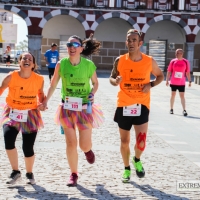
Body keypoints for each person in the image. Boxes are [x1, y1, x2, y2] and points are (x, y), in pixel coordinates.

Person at [40, 35, 104, 187]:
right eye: (69, 44)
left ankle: (87, 151)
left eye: (75, 44)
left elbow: (95, 83)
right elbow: (53, 85)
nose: (72, 47)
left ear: (81, 48)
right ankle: (74, 173)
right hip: (67, 108)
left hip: (84, 108)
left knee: (84, 145)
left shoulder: (88, 65)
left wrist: (92, 93)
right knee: (70, 143)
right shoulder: (61, 64)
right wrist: (45, 101)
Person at [109, 29, 164, 183]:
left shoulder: (149, 61)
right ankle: (126, 169)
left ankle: (137, 159)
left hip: (142, 105)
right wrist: (116, 81)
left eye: (134, 40)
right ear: (126, 42)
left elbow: (160, 76)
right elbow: (111, 79)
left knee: (141, 141)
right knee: (124, 141)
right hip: (124, 105)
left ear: (140, 43)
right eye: (129, 40)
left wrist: (151, 84)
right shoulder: (120, 60)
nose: (131, 43)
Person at [0, 52, 45, 185]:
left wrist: (42, 103)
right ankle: (15, 172)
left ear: (33, 64)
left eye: (30, 59)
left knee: (28, 147)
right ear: (19, 62)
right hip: (12, 112)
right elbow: (1, 89)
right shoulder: (11, 77)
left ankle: (29, 173)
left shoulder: (39, 79)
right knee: (8, 139)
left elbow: (41, 94)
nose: (27, 60)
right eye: (24, 58)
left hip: (30, 114)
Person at [166, 49, 191, 116]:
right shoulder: (173, 61)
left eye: (178, 53)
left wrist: (189, 81)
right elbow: (169, 71)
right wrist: (167, 80)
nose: (177, 54)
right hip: (173, 81)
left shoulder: (185, 62)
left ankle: (184, 110)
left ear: (182, 54)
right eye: (176, 53)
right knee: (173, 95)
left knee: (182, 96)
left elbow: (187, 72)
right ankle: (171, 109)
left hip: (181, 82)